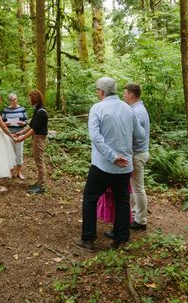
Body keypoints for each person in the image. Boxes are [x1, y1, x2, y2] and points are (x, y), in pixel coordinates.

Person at [74, 77, 145, 252]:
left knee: (90, 198)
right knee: (122, 201)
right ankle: (121, 239)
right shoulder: (128, 110)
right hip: (124, 166)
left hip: (103, 166)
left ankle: (88, 239)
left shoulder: (97, 108)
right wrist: (125, 151)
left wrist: (113, 156)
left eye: (97, 90)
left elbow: (95, 137)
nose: (97, 93)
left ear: (102, 92)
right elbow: (141, 136)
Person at [124, 82, 150, 231]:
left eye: (125, 92)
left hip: (137, 154)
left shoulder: (137, 112)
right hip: (139, 153)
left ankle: (141, 220)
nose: (123, 95)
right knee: (134, 187)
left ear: (131, 95)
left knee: (138, 188)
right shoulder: (137, 108)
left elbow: (137, 135)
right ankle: (136, 215)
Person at [14, 89, 48, 195]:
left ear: (34, 98)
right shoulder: (37, 110)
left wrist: (22, 138)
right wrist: (20, 132)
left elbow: (34, 129)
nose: (29, 100)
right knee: (38, 162)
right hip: (36, 138)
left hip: (39, 139)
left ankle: (41, 186)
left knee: (40, 162)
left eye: (30, 98)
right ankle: (38, 182)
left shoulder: (41, 112)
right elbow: (30, 125)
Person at [1, 93, 28, 179]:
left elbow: (26, 122)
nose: (14, 101)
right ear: (9, 101)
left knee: (19, 153)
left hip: (20, 133)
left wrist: (22, 123)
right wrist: (6, 123)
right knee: (10, 153)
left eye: (15, 99)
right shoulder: (5, 110)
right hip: (9, 134)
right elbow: (2, 123)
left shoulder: (22, 109)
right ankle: (11, 172)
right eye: (12, 100)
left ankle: (19, 172)